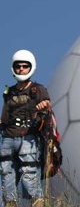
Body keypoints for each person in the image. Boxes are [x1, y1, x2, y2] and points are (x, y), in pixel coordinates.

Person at [1, 50, 50, 207]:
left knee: (29, 172)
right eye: (18, 66)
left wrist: (44, 105)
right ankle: (10, 203)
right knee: (6, 172)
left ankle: (37, 202)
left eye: (25, 66)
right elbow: (5, 116)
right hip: (8, 137)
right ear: (13, 68)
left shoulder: (38, 90)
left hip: (28, 136)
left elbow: (47, 105)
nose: (21, 69)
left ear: (31, 68)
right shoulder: (9, 92)